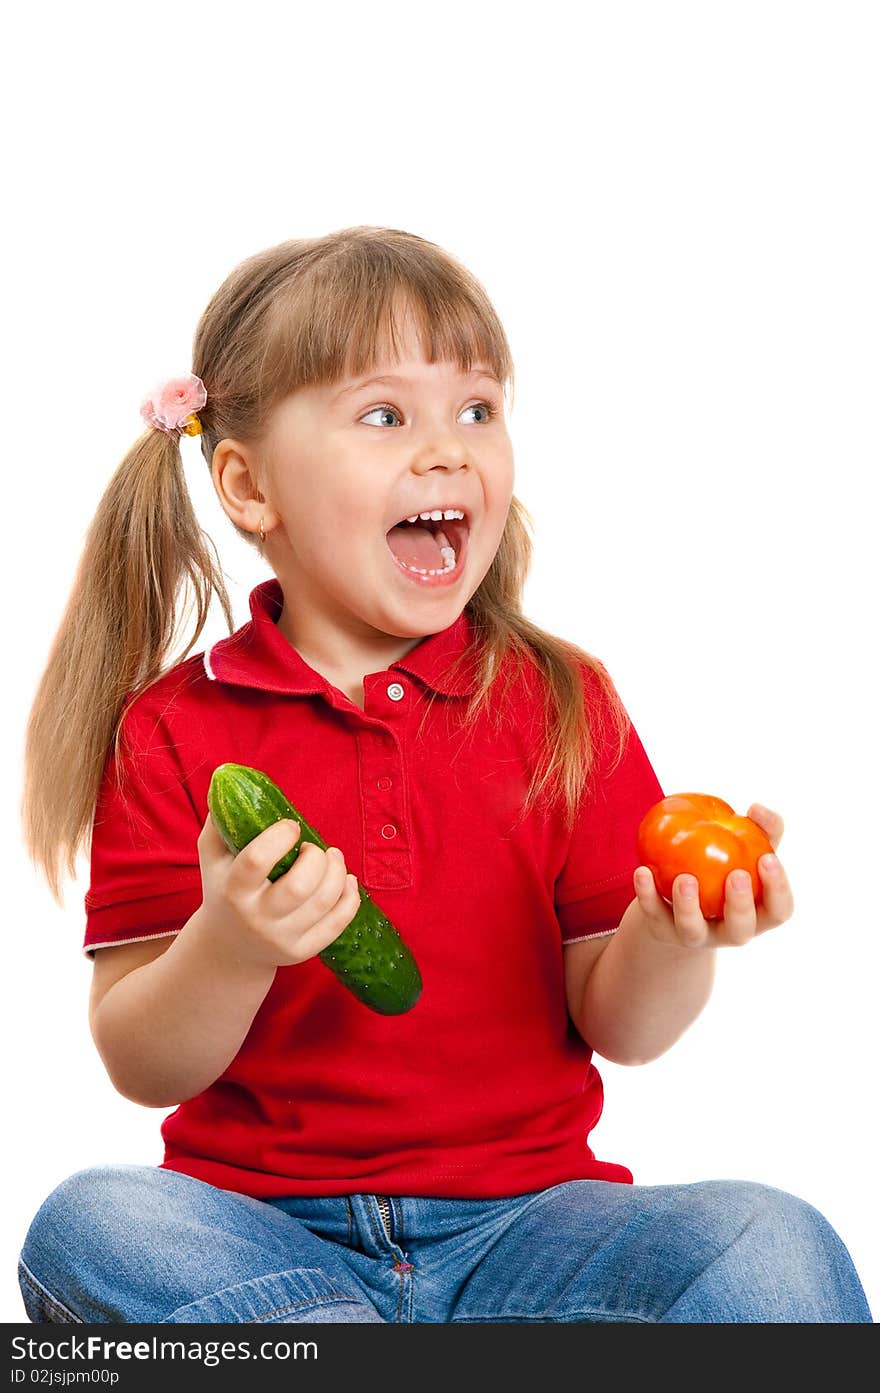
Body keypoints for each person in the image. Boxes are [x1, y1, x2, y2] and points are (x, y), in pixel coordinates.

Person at [18, 227, 871, 1324]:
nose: (447, 450)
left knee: (771, 1241)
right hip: (262, 1231)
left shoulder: (564, 700)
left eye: (477, 409)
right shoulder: (176, 730)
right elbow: (141, 1060)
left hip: (532, 1227)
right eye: (385, 415)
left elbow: (623, 1025)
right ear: (247, 484)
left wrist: (666, 933)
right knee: (91, 1220)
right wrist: (227, 946)